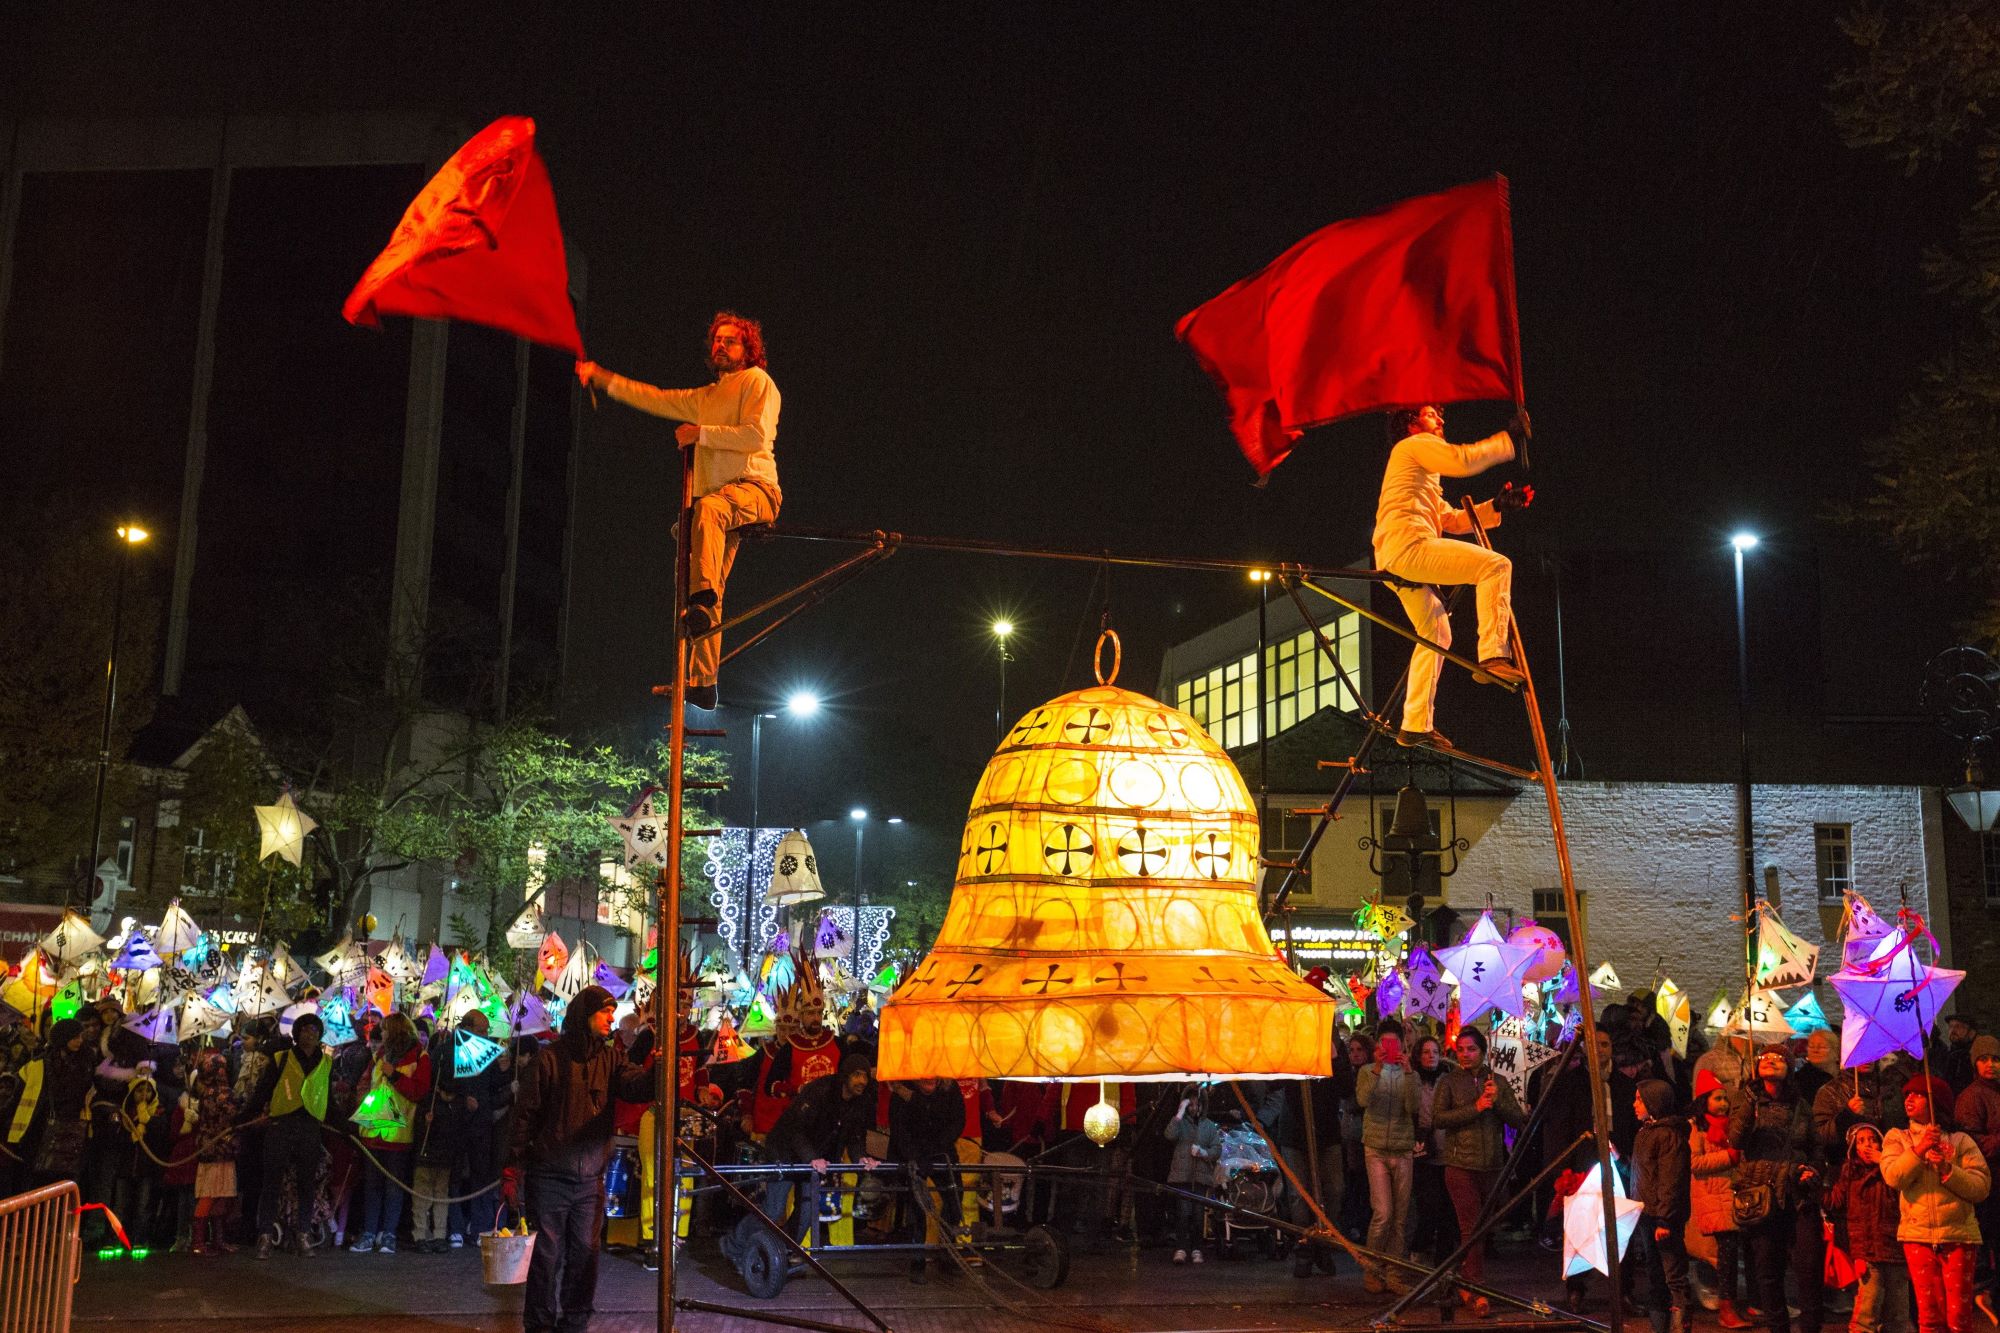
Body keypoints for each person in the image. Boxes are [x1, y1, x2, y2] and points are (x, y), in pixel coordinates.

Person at [577, 311, 781, 710]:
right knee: (703, 578)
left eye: (731, 341)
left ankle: (701, 601)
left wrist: (700, 433)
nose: (721, 346)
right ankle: (703, 683)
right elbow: (653, 396)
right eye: (717, 340)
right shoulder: (705, 397)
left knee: (706, 514)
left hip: (755, 490)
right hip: (718, 505)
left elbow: (756, 434)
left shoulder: (756, 381)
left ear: (748, 350)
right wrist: (602, 377)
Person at [1371, 403, 1532, 749]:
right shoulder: (1414, 446)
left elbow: (1451, 519)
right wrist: (1510, 439)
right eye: (1432, 414)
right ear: (1411, 423)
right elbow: (1462, 460)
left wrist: (1497, 507)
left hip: (1398, 552)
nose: (1441, 420)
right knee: (1496, 565)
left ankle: (1415, 725)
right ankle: (1492, 657)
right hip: (1410, 546)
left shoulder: (1418, 470)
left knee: (1436, 631)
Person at [503, 986, 654, 1333]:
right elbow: (524, 1116)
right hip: (550, 1176)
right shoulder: (550, 1058)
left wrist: (658, 1066)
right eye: (604, 1012)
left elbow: (636, 1087)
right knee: (547, 1257)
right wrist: (512, 1168)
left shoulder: (612, 1058)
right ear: (586, 1015)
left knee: (585, 1255)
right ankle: (540, 1325)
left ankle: (574, 1323)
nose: (611, 1019)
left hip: (590, 1180)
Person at [734, 1056, 879, 1252]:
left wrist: (861, 1157)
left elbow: (853, 1136)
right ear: (846, 1075)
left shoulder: (859, 1101)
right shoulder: (821, 1090)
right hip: (784, 1151)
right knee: (773, 1210)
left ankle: (785, 1252)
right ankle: (734, 1243)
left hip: (813, 1158)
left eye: (865, 1076)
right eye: (857, 1075)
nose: (862, 1081)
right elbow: (795, 1128)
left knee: (807, 1211)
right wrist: (811, 1157)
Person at [1883, 1073, 1990, 1333]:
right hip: (1918, 1237)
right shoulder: (1898, 1138)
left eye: (1918, 1094)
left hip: (1958, 1237)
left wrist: (1947, 1169)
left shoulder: (1960, 1141)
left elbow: (1980, 1187)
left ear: (1935, 1101)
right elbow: (1893, 1176)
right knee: (1929, 1317)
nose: (1909, 1098)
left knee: (1959, 1319)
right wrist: (1919, 1150)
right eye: (1907, 1093)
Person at [1433, 1026, 1528, 1314]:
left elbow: (1517, 1118)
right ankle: (1477, 1289)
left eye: (1471, 1049)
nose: (1465, 1054)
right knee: (1470, 1228)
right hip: (1460, 1164)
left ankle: (1465, 1280)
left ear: (1483, 1052)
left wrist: (1496, 1100)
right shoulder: (1449, 1082)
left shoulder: (1497, 1081)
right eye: (1461, 1049)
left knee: (1484, 1228)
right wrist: (1476, 1107)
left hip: (1492, 1165)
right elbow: (1438, 1118)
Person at [1731, 1045, 1823, 1333]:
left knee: (1809, 1271)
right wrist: (1750, 1100)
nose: (1771, 1061)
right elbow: (1735, 1140)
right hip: (1763, 1194)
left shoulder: (1801, 1105)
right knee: (1767, 1273)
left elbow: (1815, 1146)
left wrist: (1814, 1169)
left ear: (1790, 1067)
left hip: (1797, 1195)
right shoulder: (1748, 1101)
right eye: (1765, 1058)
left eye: (1778, 1058)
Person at [246, 1012, 330, 1258]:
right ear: (297, 1033)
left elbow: (329, 1101)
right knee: (271, 1182)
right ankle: (264, 1236)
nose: (310, 1034)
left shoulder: (325, 1063)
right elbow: (264, 1090)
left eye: (314, 1031)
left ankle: (303, 1235)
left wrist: (347, 1127)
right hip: (281, 1124)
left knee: (307, 1184)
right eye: (305, 1029)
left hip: (310, 1128)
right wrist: (245, 1115)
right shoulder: (282, 1058)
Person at [349, 1011, 432, 1255]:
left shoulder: (419, 1056)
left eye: (384, 1029)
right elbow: (367, 1086)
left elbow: (418, 1092)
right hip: (373, 1129)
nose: (380, 1033)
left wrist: (394, 1074)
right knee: (372, 1185)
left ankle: (389, 1234)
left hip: (399, 1132)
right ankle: (369, 1232)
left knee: (393, 1186)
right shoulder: (379, 1055)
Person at [1356, 1029, 1421, 1291]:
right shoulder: (1367, 1071)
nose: (1390, 1048)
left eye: (1395, 1044)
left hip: (1403, 1147)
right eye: (1385, 1044)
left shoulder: (1411, 1074)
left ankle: (1395, 1272)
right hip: (1375, 1148)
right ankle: (1373, 1270)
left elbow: (1413, 1108)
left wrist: (1407, 1073)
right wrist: (1378, 1067)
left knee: (1400, 1217)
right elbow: (1363, 1100)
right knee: (1383, 1213)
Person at [1829, 1124, 1910, 1333]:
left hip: (1895, 1249)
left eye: (1872, 1139)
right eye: (1861, 1141)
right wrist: (1811, 1184)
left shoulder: (1892, 1171)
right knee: (1867, 1309)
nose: (1867, 1145)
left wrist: (1884, 1162)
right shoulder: (1850, 1172)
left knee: (1899, 1311)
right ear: (1854, 1148)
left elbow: (1904, 1196)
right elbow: (1835, 1201)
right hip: (1867, 1252)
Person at [887, 1076, 966, 1283]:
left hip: (942, 1150)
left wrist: (938, 1148)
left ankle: (948, 1252)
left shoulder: (949, 1088)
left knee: (954, 1196)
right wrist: (914, 1156)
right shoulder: (902, 1091)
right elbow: (899, 1130)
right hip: (913, 1153)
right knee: (917, 1206)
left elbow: (958, 1121)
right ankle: (917, 1259)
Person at [1690, 1070, 1750, 1329]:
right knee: (1725, 1258)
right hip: (1713, 1199)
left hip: (1731, 1198)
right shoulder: (1697, 1128)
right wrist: (1729, 1157)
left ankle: (1731, 1307)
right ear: (1704, 1101)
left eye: (1725, 1098)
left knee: (1729, 1256)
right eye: (1717, 1098)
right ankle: (1726, 1310)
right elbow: (1695, 1163)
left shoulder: (1729, 1126)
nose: (1723, 1104)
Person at [1634, 1080, 1694, 1333]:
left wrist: (1665, 1220)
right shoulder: (1646, 1132)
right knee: (1656, 1276)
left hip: (1662, 1219)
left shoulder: (1669, 1135)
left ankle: (1680, 1325)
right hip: (1648, 1215)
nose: (1635, 1104)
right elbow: (1645, 1175)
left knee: (1673, 1276)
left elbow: (1671, 1179)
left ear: (1654, 1102)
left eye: (1639, 1099)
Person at [1952, 1036, 2000, 1304]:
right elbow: (1972, 1143)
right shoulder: (1971, 1097)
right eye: (1984, 1059)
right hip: (1989, 1183)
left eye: (1995, 1059)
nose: (1990, 1065)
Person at [1165, 1085, 1222, 1265]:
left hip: (1200, 1177)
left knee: (1198, 1214)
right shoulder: (1180, 1122)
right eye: (1190, 1105)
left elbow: (1217, 1149)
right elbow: (1169, 1135)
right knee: (1182, 1213)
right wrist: (1180, 1112)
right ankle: (1181, 1248)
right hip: (1182, 1176)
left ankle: (1197, 1248)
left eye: (1197, 1105)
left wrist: (1204, 1153)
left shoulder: (1208, 1126)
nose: (1194, 1108)